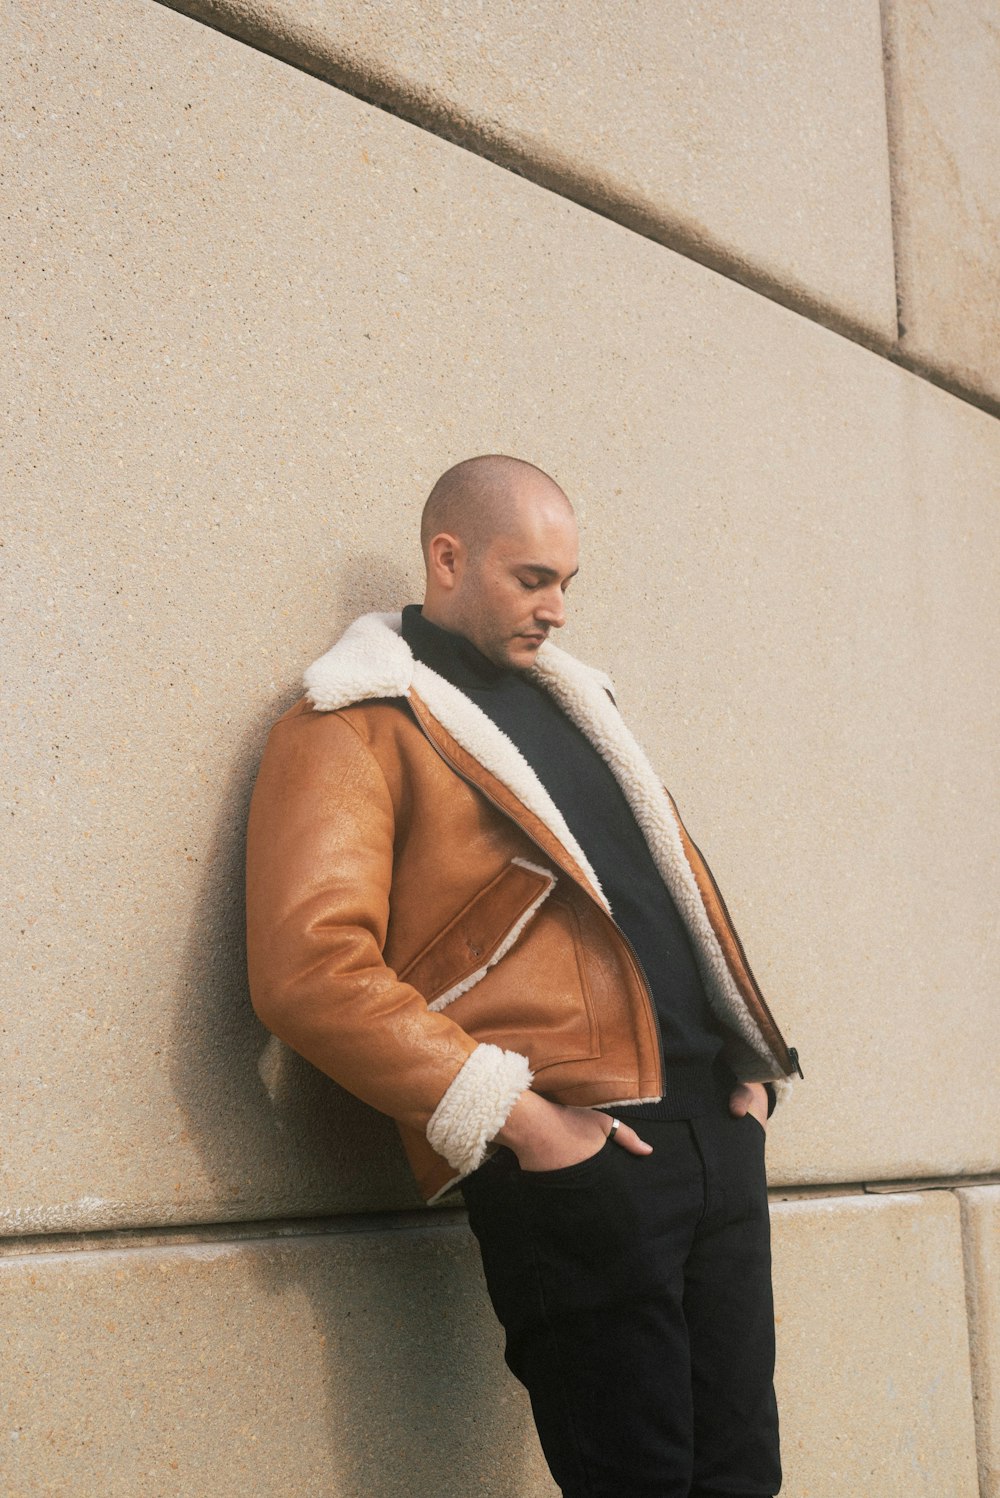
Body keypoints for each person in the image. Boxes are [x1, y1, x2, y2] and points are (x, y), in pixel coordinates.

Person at [245, 454, 801, 1498]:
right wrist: (525, 1122)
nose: (555, 609)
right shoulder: (356, 717)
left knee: (742, 1478)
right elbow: (307, 969)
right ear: (446, 556)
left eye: (566, 585)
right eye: (531, 578)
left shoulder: (580, 705)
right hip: (584, 1158)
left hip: (715, 1137)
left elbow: (659, 896)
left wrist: (749, 1082)